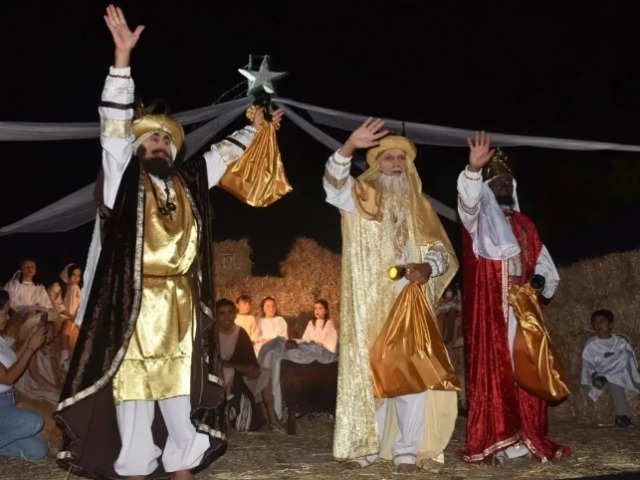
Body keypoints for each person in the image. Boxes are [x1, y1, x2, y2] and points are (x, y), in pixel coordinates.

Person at [54, 5, 283, 480]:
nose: (157, 143)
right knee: (135, 391)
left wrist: (259, 128)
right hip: (135, 303)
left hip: (180, 301)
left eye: (164, 140)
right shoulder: (123, 183)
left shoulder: (190, 181)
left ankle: (182, 468)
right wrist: (121, 63)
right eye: (149, 140)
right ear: (136, 150)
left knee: (181, 390)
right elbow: (113, 132)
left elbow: (224, 153)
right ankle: (136, 468)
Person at [324, 118, 460, 473]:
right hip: (371, 304)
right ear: (376, 166)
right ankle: (367, 448)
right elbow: (333, 184)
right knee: (373, 375)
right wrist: (349, 146)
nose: (396, 163)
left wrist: (429, 267)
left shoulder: (422, 208)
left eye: (402, 158)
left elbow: (441, 251)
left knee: (410, 377)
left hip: (410, 301)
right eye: (388, 158)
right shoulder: (362, 198)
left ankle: (406, 452)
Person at [458, 133, 570, 463]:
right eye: (497, 181)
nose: (503, 186)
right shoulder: (477, 223)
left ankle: (527, 436)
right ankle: (497, 438)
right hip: (491, 316)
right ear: (488, 188)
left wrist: (540, 280)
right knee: (496, 374)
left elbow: (545, 265)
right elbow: (467, 202)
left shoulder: (526, 225)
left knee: (526, 373)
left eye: (507, 181)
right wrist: (474, 171)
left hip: (524, 317)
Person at [216, 298, 281, 432]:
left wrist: (252, 369)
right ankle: (227, 420)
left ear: (235, 314)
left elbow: (249, 358)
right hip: (218, 376)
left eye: (230, 312)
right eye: (222, 314)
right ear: (216, 316)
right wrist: (239, 368)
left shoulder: (240, 332)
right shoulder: (211, 334)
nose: (227, 317)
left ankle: (272, 422)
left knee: (265, 373)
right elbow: (212, 361)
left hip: (240, 376)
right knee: (228, 372)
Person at [0, 290, 49, 459]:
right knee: (33, 422)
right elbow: (7, 377)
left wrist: (30, 340)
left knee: (39, 450)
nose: (8, 317)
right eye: (5, 313)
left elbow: (13, 363)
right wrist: (31, 348)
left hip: (7, 403)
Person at [581, 309, 640, 428]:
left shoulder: (620, 342)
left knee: (624, 356)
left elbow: (630, 361)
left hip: (614, 377)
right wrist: (592, 375)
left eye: (601, 321)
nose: (598, 324)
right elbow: (587, 364)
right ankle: (621, 418)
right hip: (598, 378)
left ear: (611, 325)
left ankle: (621, 417)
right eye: (595, 322)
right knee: (614, 375)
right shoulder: (591, 344)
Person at [15, 310, 65, 407]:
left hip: (47, 381)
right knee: (59, 398)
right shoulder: (32, 349)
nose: (53, 334)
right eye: (49, 331)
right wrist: (54, 388)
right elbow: (34, 374)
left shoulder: (50, 347)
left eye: (53, 331)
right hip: (34, 384)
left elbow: (53, 369)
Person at [3, 258, 53, 339]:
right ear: (21, 269)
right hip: (17, 312)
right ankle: (24, 337)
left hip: (35, 313)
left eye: (32, 267)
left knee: (44, 313)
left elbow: (47, 305)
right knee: (32, 310)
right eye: (26, 267)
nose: (29, 269)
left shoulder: (39, 287)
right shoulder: (13, 284)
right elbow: (6, 302)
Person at [47, 263, 83, 370]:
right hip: (56, 315)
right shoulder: (56, 286)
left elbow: (80, 305)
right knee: (67, 322)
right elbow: (58, 307)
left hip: (71, 316)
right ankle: (64, 358)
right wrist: (71, 317)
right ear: (67, 274)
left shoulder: (76, 288)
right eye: (74, 274)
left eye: (79, 275)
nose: (76, 278)